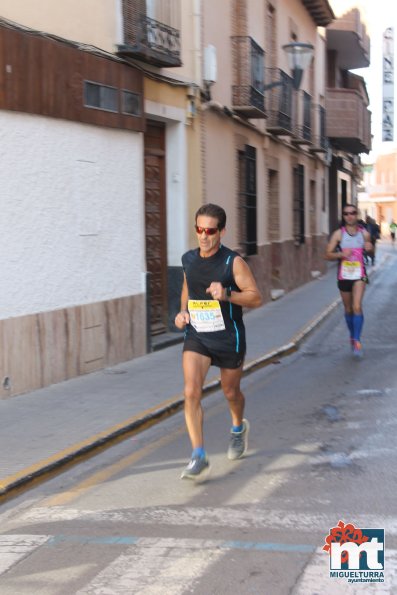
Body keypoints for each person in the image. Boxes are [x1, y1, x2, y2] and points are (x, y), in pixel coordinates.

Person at [175, 203, 262, 479]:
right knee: (191, 392)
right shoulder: (189, 259)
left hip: (228, 337)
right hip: (198, 335)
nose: (203, 236)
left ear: (221, 231)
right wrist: (182, 313)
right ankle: (198, 454)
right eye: (199, 229)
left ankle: (238, 428)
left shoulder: (232, 262)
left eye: (210, 230)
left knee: (230, 393)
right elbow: (187, 290)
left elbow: (255, 297)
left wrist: (227, 294)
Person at [325, 204, 373, 358]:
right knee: (348, 309)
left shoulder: (364, 234)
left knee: (357, 306)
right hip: (344, 275)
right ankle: (352, 336)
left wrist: (370, 248)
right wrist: (340, 254)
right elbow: (327, 255)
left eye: (352, 213)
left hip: (360, 275)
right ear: (343, 216)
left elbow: (371, 250)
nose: (349, 216)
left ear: (357, 214)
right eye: (346, 214)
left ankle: (357, 340)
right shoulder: (338, 234)